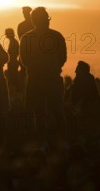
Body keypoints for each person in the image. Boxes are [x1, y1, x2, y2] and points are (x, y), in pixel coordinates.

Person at [20, 7, 67, 139]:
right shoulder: (57, 36)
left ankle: (42, 141)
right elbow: (62, 58)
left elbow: (24, 61)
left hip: (37, 79)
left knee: (39, 113)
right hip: (49, 79)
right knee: (56, 112)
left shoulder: (26, 38)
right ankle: (60, 140)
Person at [4, 28, 25, 108]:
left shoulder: (14, 42)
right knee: (13, 79)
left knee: (13, 80)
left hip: (13, 63)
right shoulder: (14, 42)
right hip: (12, 63)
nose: (5, 35)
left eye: (7, 33)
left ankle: (18, 98)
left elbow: (13, 54)